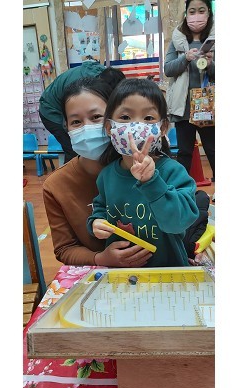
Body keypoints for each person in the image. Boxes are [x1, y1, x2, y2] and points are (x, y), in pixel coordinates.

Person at [42, 77, 153, 268]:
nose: (87, 128)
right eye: (76, 122)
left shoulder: (146, 169)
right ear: (66, 127)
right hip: (101, 274)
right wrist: (100, 258)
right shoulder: (56, 186)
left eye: (96, 117)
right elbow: (64, 248)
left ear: (114, 120)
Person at [88, 78, 199, 267]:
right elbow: (100, 207)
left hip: (168, 269)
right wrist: (96, 222)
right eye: (125, 117)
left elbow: (179, 223)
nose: (136, 126)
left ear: (162, 127)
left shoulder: (173, 171)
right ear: (109, 127)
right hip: (121, 272)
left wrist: (151, 182)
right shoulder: (106, 176)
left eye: (148, 118)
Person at [164, 0, 215, 181]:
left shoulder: (216, 40)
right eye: (192, 11)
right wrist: (185, 58)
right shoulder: (177, 39)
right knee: (184, 153)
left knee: (213, 150)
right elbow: (168, 69)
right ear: (186, 14)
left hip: (209, 107)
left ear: (208, 13)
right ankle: (182, 191)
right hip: (183, 107)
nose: (196, 16)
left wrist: (210, 65)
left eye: (201, 11)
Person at [39, 61, 125, 163]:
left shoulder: (103, 75)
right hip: (50, 110)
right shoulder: (81, 88)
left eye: (96, 117)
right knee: (71, 148)